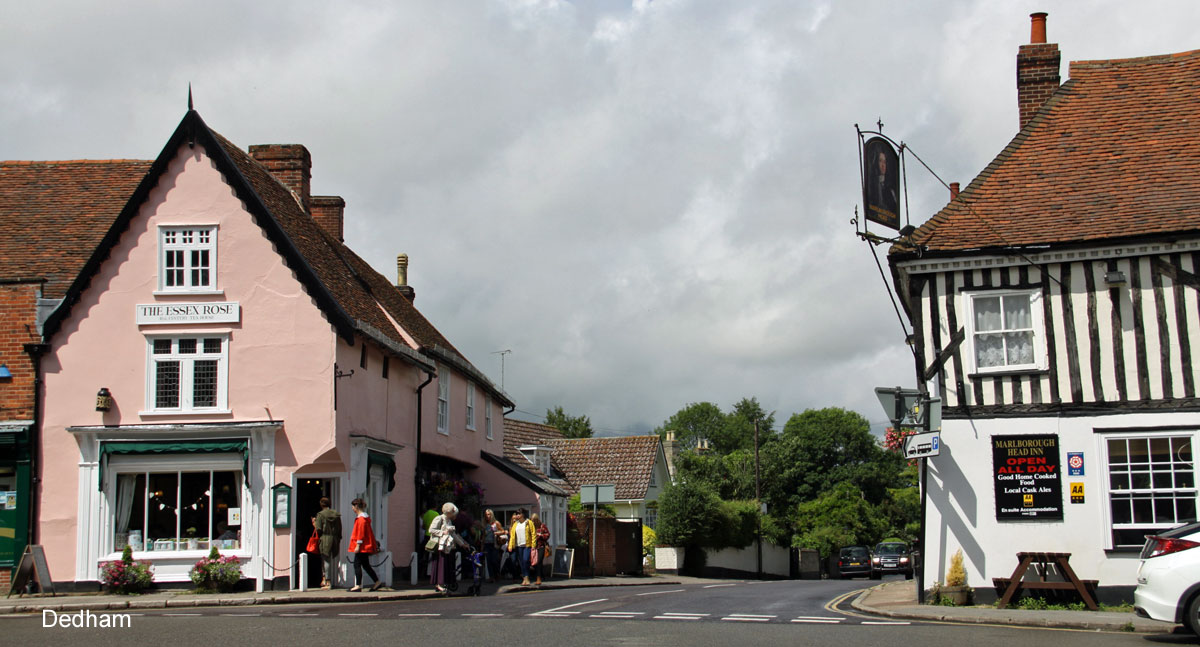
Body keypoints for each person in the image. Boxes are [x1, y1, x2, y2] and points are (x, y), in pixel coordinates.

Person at [428, 502, 469, 593]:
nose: (456, 515)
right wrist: (442, 533)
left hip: (447, 547)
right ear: (449, 512)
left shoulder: (449, 521)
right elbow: (431, 530)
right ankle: (439, 584)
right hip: (440, 547)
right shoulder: (439, 518)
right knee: (441, 565)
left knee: (446, 565)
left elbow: (453, 534)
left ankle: (443, 583)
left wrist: (462, 544)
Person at [347, 497, 382, 592]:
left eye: (353, 506)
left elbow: (361, 533)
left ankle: (358, 585)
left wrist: (358, 545)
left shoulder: (361, 519)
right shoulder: (363, 518)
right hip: (364, 546)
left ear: (357, 506)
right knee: (366, 565)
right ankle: (377, 581)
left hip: (362, 547)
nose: (352, 508)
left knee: (357, 564)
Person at [314, 497, 341, 589]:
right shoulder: (336, 515)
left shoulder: (320, 515)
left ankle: (327, 581)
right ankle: (325, 579)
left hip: (325, 538)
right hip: (334, 538)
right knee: (330, 559)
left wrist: (314, 523)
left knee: (325, 560)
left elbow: (318, 529)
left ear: (321, 505)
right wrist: (338, 538)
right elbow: (339, 528)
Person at [507, 507, 536, 586]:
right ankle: (525, 578)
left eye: (519, 514)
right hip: (518, 545)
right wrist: (510, 545)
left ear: (523, 514)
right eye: (517, 514)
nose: (517, 515)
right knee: (521, 563)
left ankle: (527, 577)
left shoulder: (528, 522)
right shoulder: (516, 524)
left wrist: (533, 545)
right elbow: (512, 536)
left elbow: (533, 533)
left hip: (527, 545)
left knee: (526, 560)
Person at [530, 512, 551, 586]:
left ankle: (538, 578)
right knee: (534, 563)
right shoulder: (530, 527)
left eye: (534, 520)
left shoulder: (542, 526)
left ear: (537, 520)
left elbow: (548, 534)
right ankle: (541, 574)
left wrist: (541, 535)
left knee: (539, 561)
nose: (532, 522)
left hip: (541, 546)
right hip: (533, 547)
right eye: (531, 520)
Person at [483, 509, 504, 583]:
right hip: (487, 543)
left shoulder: (496, 523)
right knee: (488, 560)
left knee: (494, 560)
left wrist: (496, 533)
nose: (487, 516)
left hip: (494, 543)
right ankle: (491, 576)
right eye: (486, 514)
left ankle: (497, 574)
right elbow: (482, 535)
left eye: (489, 514)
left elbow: (503, 531)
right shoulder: (484, 524)